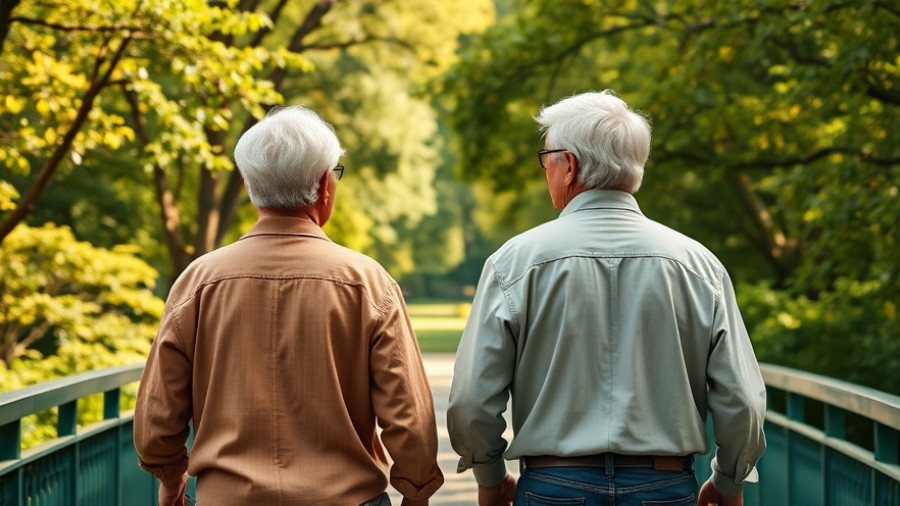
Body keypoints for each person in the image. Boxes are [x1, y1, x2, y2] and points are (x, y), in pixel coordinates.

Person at [447, 90, 766, 506]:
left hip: (552, 487)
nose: (546, 169)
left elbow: (472, 398)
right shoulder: (698, 265)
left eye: (546, 158)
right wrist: (728, 481)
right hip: (665, 487)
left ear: (570, 165)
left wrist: (489, 476)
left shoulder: (514, 263)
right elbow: (741, 397)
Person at [134, 105, 444, 506]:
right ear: (323, 185)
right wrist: (415, 492)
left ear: (248, 185)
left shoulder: (199, 281)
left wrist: (171, 477)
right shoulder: (368, 283)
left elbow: (157, 417)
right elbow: (410, 419)